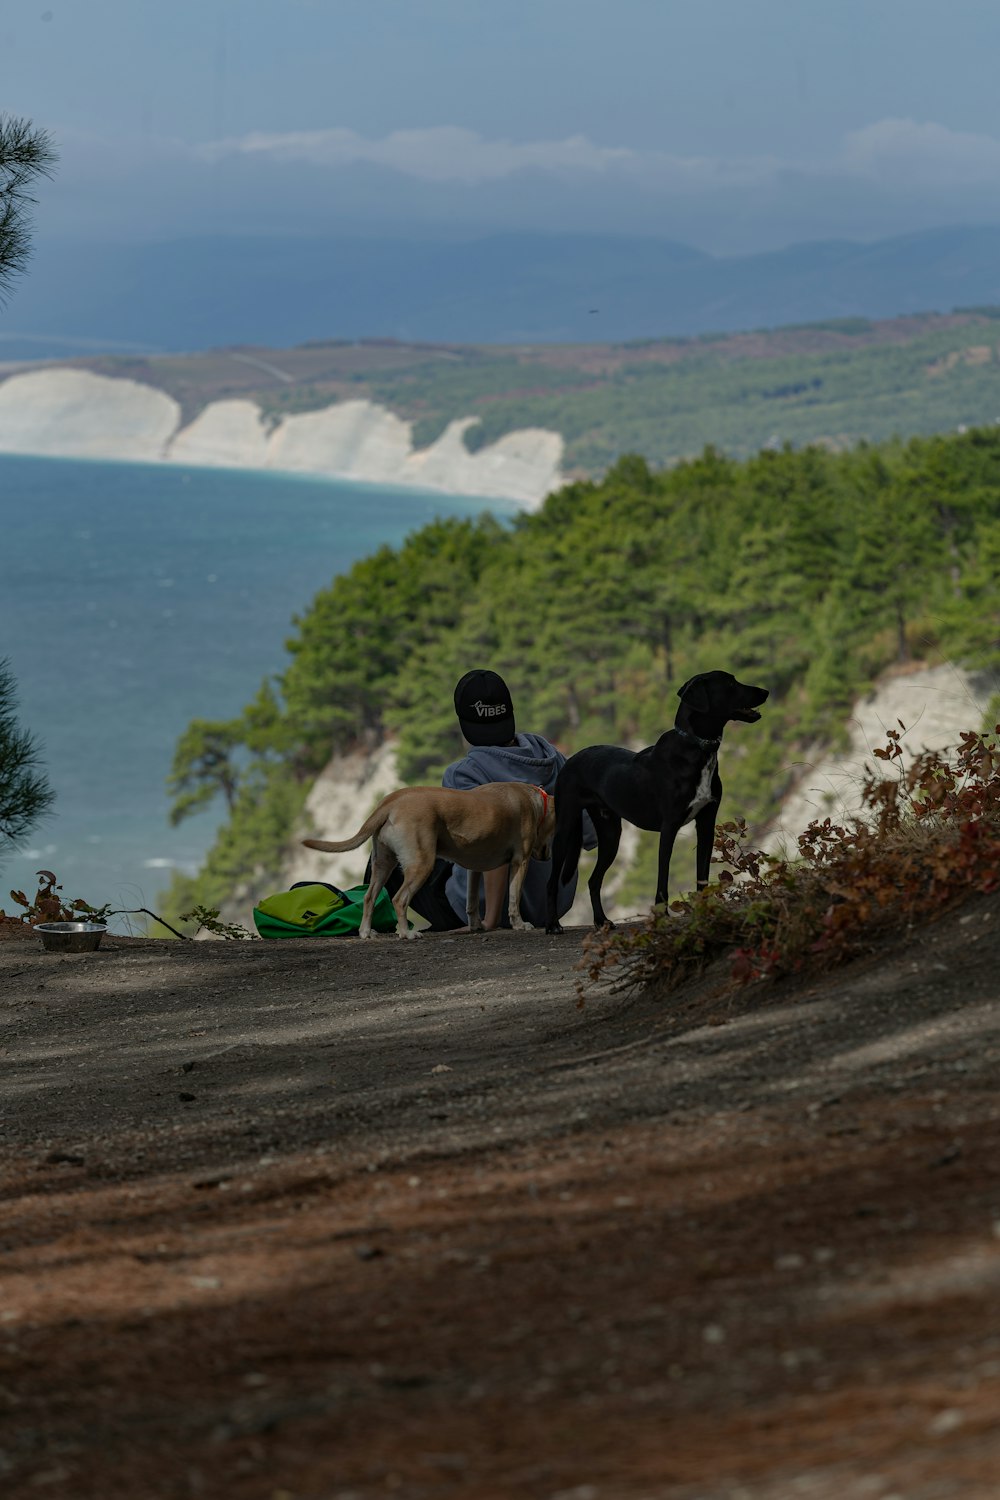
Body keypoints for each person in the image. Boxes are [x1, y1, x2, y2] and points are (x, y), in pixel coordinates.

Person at [382, 668, 594, 931]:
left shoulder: (464, 773)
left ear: (464, 723)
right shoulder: (552, 757)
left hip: (489, 910)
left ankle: (390, 926)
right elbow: (590, 835)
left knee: (392, 851)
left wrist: (490, 921)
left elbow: (490, 841)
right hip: (550, 906)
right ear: (509, 713)